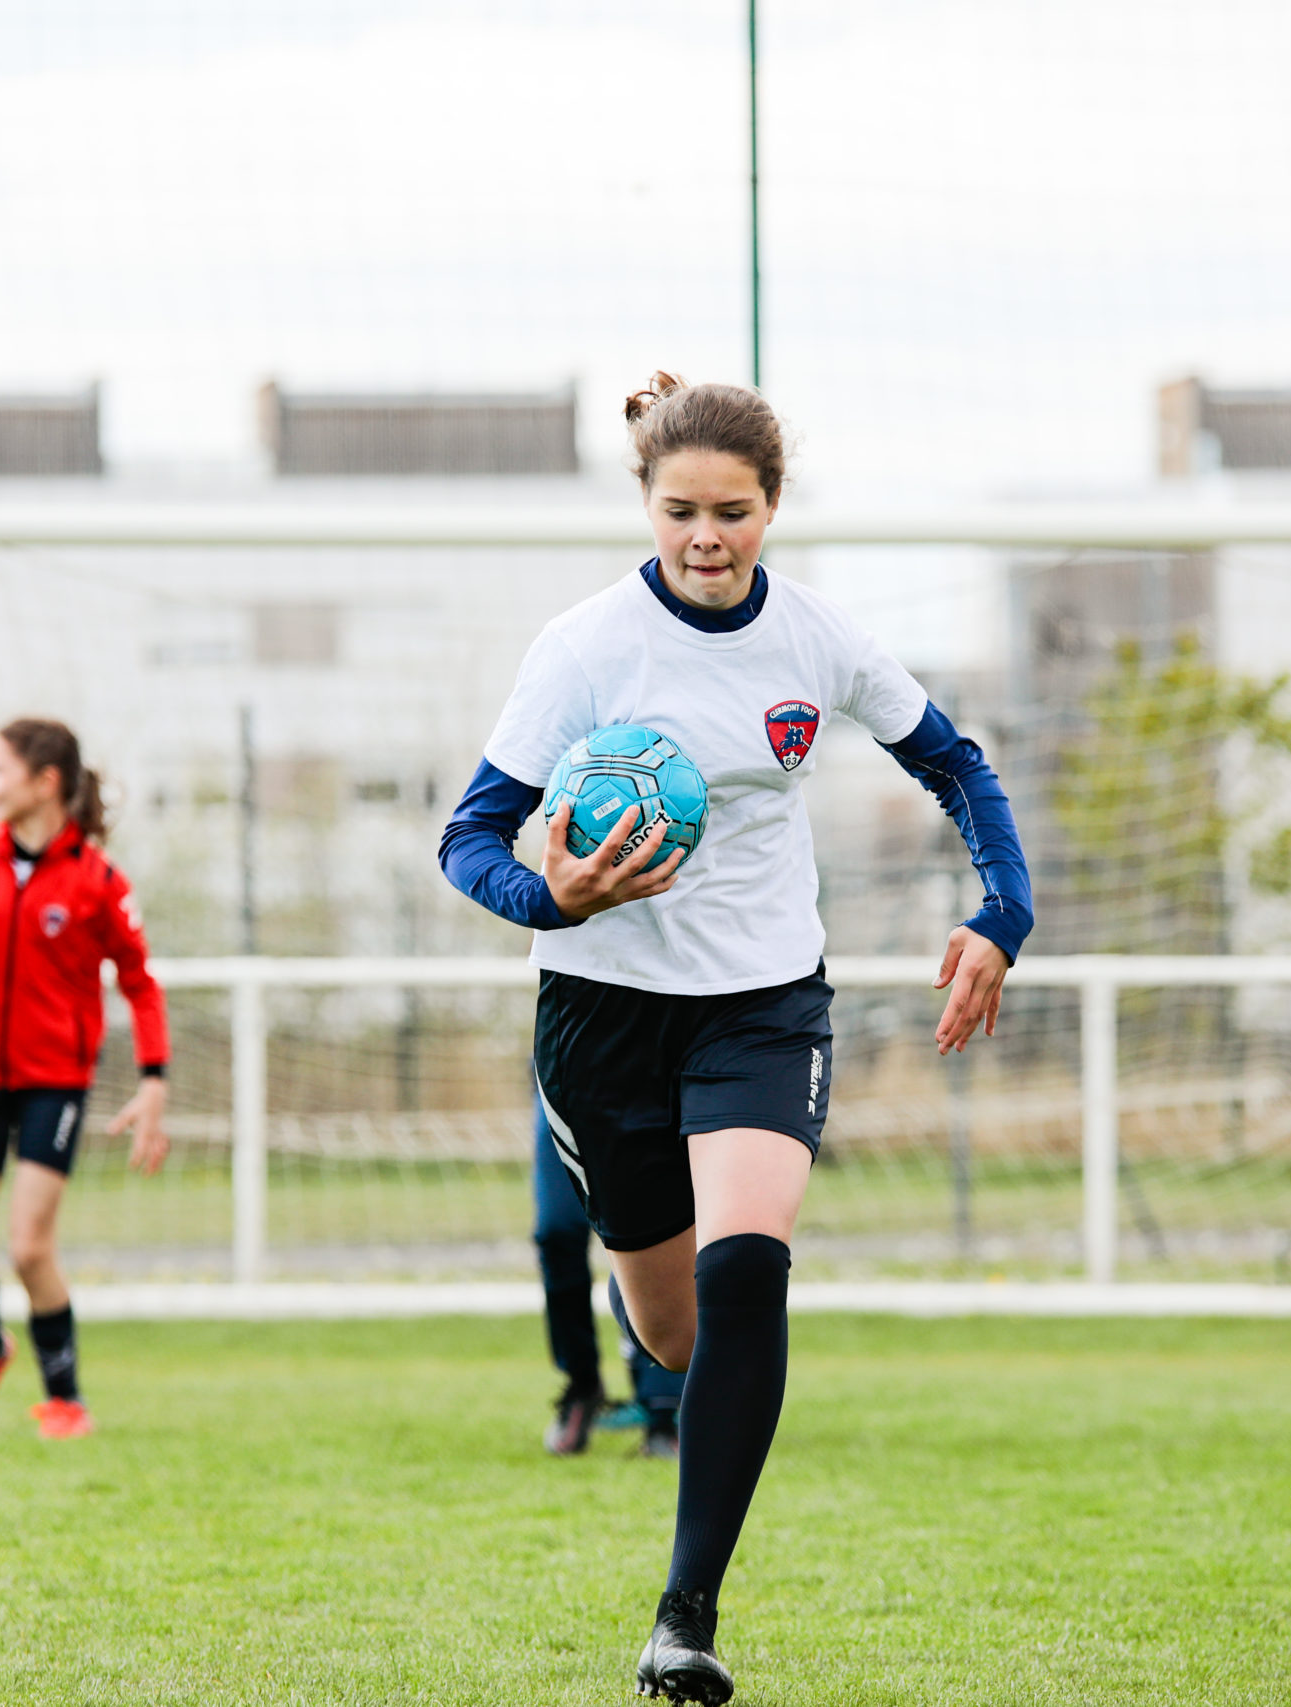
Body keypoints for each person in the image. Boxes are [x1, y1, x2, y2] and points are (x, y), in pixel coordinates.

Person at [438, 373, 1031, 1703]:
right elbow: (466, 837)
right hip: (600, 1013)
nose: (707, 536)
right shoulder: (585, 648)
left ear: (772, 509)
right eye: (680, 511)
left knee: (751, 1265)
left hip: (764, 1001)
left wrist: (1005, 907)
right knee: (673, 1330)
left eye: (734, 511)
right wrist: (553, 892)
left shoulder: (818, 639)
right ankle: (637, 1306)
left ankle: (684, 1616)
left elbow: (957, 762)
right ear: (647, 506)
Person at [0, 718, 172, 1440]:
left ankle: (64, 1399)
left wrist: (153, 1081)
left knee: (28, 1249)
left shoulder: (98, 880)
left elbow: (141, 984)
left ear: (43, 780)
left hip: (54, 1083)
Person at [535, 1092, 686, 1459]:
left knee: (654, 1225)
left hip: (655, 1078)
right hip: (570, 1071)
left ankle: (662, 1410)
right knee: (557, 1231)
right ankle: (582, 1383)